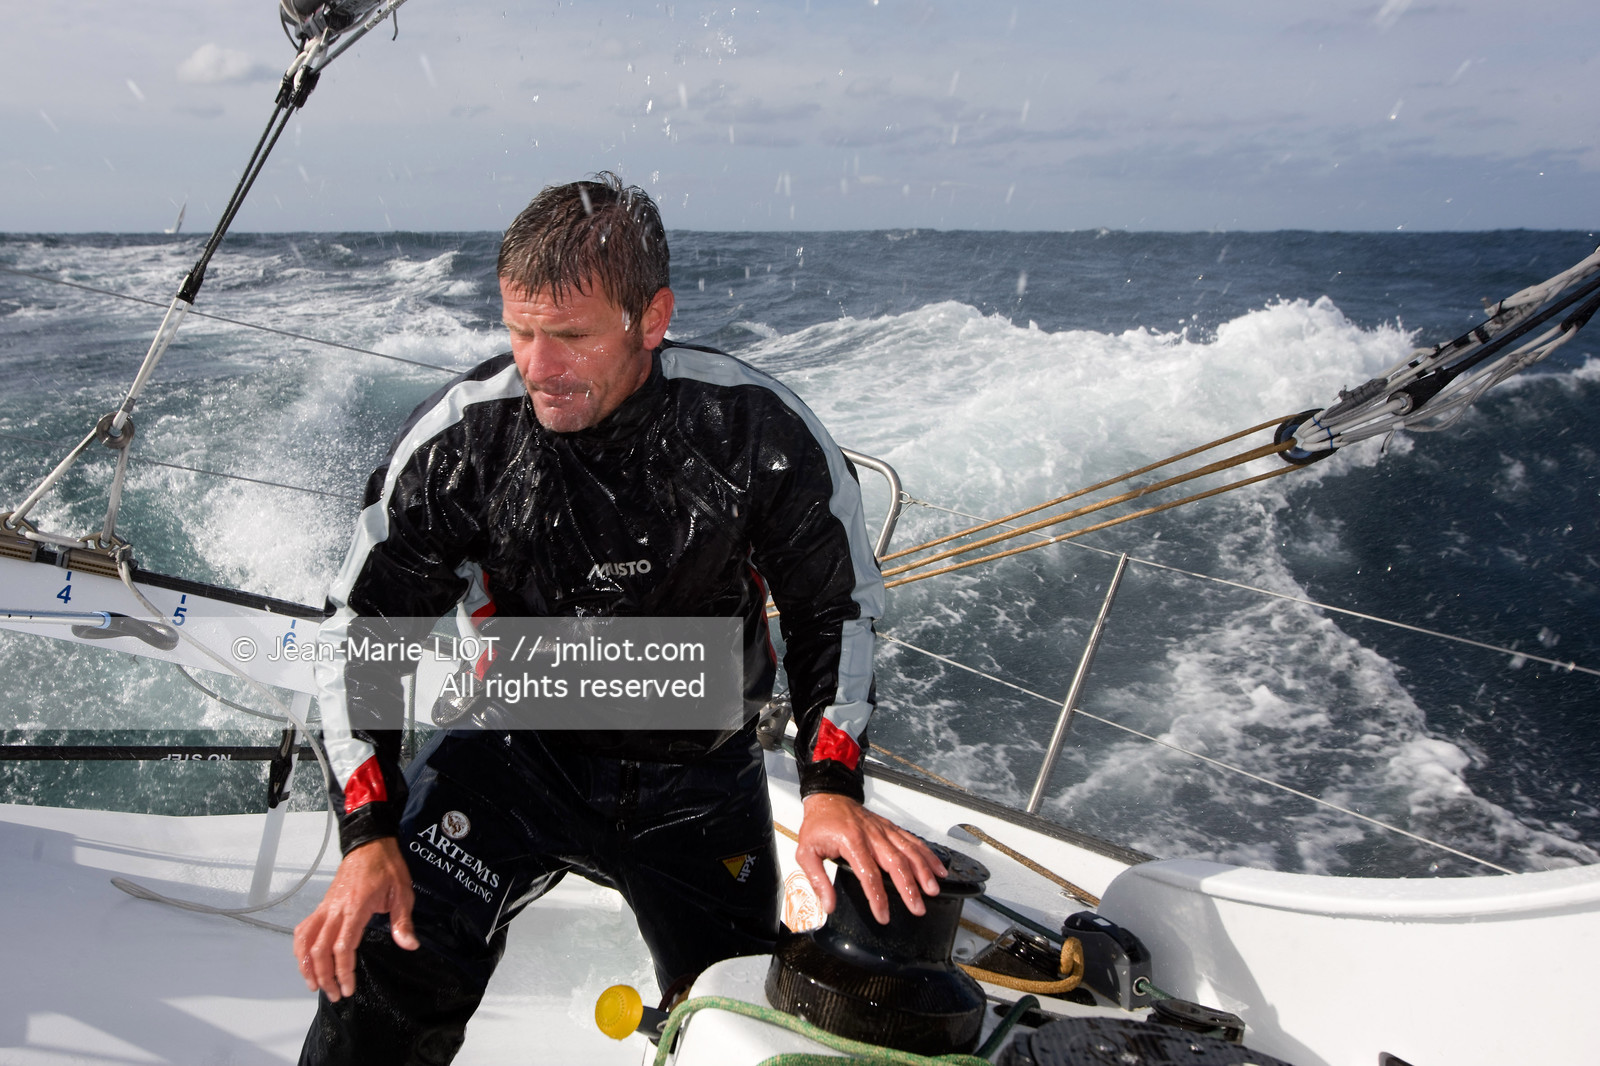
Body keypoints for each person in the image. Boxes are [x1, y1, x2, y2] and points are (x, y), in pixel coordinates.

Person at [293, 172, 944, 1064]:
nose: (536, 366)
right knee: (391, 959)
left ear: (651, 318)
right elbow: (364, 626)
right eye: (520, 331)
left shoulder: (751, 433)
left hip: (697, 779)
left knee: (743, 1019)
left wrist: (831, 786)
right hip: (511, 756)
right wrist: (368, 832)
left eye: (569, 336)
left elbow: (837, 608)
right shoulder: (466, 442)